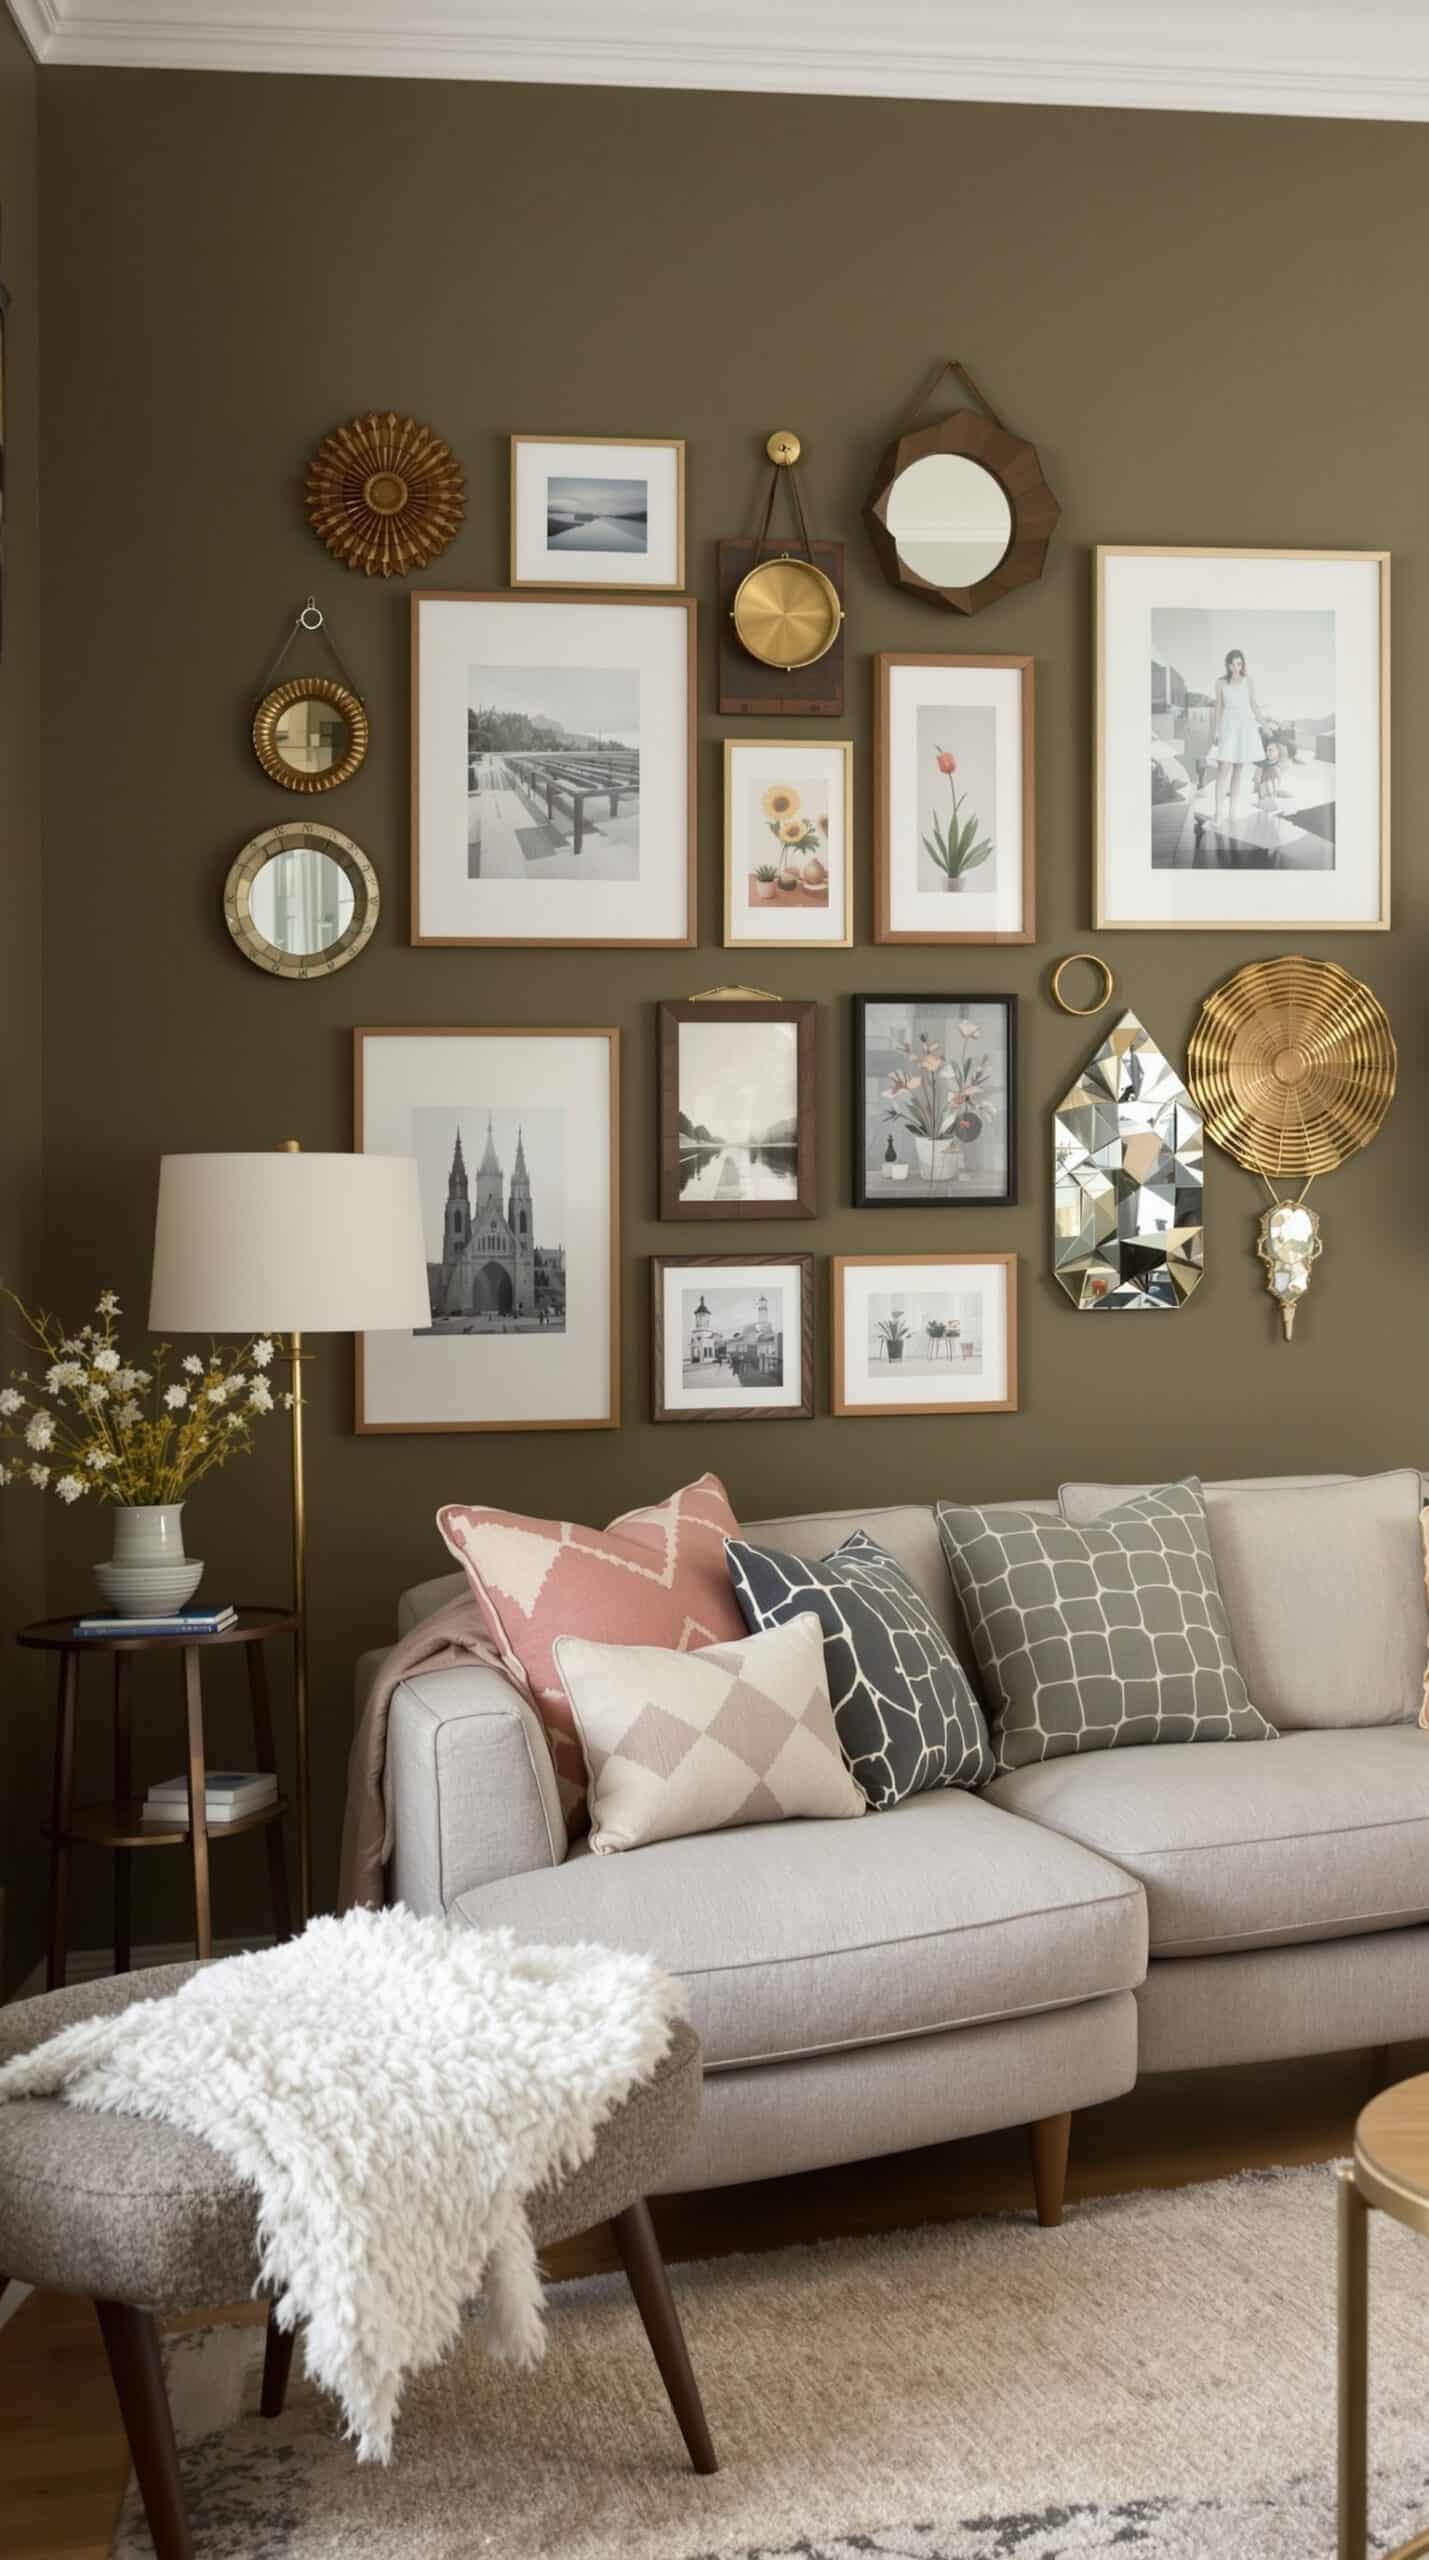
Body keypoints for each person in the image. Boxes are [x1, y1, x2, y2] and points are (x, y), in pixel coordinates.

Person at [1207, 648, 1266, 828]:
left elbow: (1254, 705)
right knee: (1224, 768)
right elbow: (1219, 708)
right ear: (1228, 665)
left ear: (1242, 664)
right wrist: (1216, 732)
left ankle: (1232, 812)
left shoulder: (1249, 681)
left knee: (1238, 770)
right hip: (1228, 725)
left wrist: (1264, 723)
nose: (1235, 668)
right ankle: (1218, 812)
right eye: (1232, 664)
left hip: (1245, 726)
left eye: (1239, 664)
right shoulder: (1220, 683)